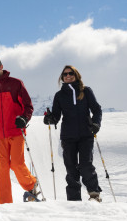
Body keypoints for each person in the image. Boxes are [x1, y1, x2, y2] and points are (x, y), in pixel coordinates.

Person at [0, 57, 37, 204]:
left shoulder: (16, 84)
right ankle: (4, 204)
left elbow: (28, 106)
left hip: (16, 131)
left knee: (16, 163)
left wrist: (24, 118)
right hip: (0, 135)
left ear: (1, 67)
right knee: (2, 168)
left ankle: (31, 186)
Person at [44, 65, 103, 202]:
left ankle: (94, 194)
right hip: (68, 137)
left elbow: (97, 109)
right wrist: (50, 118)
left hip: (86, 135)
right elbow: (56, 116)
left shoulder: (86, 91)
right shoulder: (59, 95)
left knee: (85, 165)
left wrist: (96, 123)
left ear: (76, 75)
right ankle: (74, 200)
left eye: (71, 73)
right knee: (71, 169)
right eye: (65, 74)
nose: (68, 76)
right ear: (62, 77)